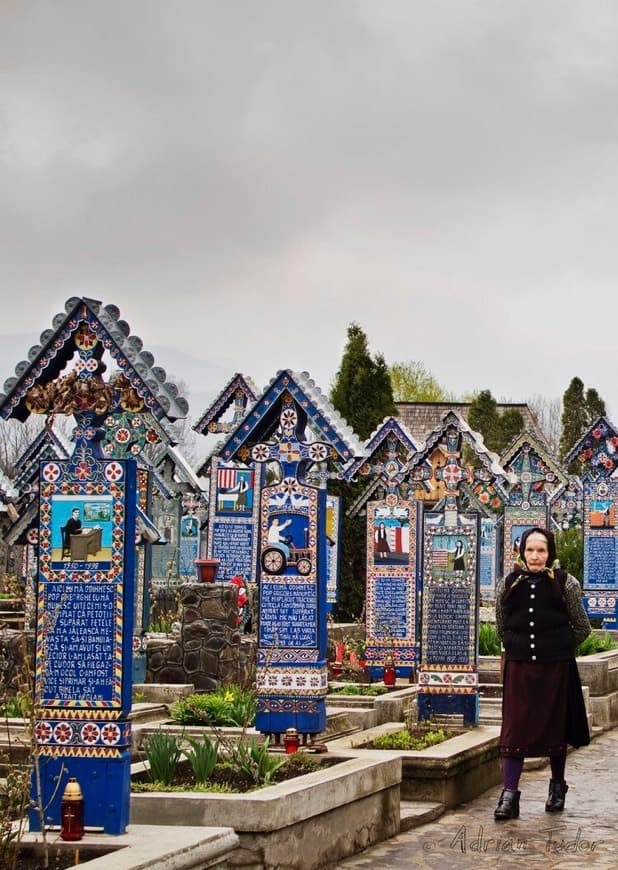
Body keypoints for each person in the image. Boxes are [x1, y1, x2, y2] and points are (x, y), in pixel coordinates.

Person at [493, 527, 591, 821]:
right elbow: (501, 624)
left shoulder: (565, 583)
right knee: (514, 730)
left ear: (551, 553)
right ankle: (510, 796)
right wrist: (515, 646)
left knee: (554, 728)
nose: (535, 556)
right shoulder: (509, 583)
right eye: (530, 550)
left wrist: (559, 648)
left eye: (542, 550)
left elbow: (582, 627)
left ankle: (557, 786)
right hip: (520, 667)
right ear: (522, 552)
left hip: (555, 669)